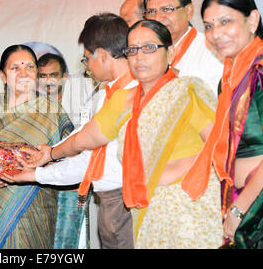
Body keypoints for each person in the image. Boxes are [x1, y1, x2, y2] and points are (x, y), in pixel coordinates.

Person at [18, 19, 223, 249]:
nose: (139, 56)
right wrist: (50, 154)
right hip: (145, 215)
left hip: (188, 212)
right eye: (132, 50)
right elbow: (83, 140)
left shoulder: (188, 91)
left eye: (149, 48)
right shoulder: (122, 102)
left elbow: (221, 149)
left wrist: (175, 171)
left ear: (171, 52)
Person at [3, 13, 136, 249]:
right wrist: (36, 172)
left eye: (86, 59)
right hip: (109, 201)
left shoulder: (131, 94)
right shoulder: (107, 94)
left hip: (127, 201)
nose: (86, 67)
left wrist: (49, 155)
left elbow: (85, 142)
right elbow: (85, 157)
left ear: (102, 55)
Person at [0, 44, 73, 249]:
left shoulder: (53, 109)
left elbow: (68, 156)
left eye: (30, 67)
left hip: (36, 200)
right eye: (15, 68)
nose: (23, 73)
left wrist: (39, 167)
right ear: (3, 76)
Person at [185, 0, 263, 248]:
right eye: (208, 26)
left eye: (225, 22)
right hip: (241, 198)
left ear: (252, 20)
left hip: (254, 205)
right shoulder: (230, 77)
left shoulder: (260, 70)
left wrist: (240, 208)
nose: (215, 34)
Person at [143, 0, 223, 94]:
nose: (158, 18)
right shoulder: (144, 53)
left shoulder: (212, 49)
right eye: (151, 11)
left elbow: (218, 98)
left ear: (188, 11)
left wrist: (174, 78)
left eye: (166, 9)